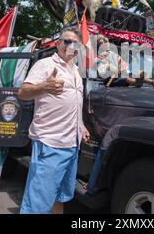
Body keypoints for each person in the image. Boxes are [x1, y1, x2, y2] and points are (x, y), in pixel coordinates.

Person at [18, 28, 90, 214]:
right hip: (50, 144)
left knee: (60, 195)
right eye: (66, 41)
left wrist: (80, 126)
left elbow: (75, 103)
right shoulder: (45, 65)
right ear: (58, 43)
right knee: (38, 202)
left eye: (75, 43)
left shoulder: (76, 71)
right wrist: (44, 86)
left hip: (72, 144)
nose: (70, 46)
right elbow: (23, 93)